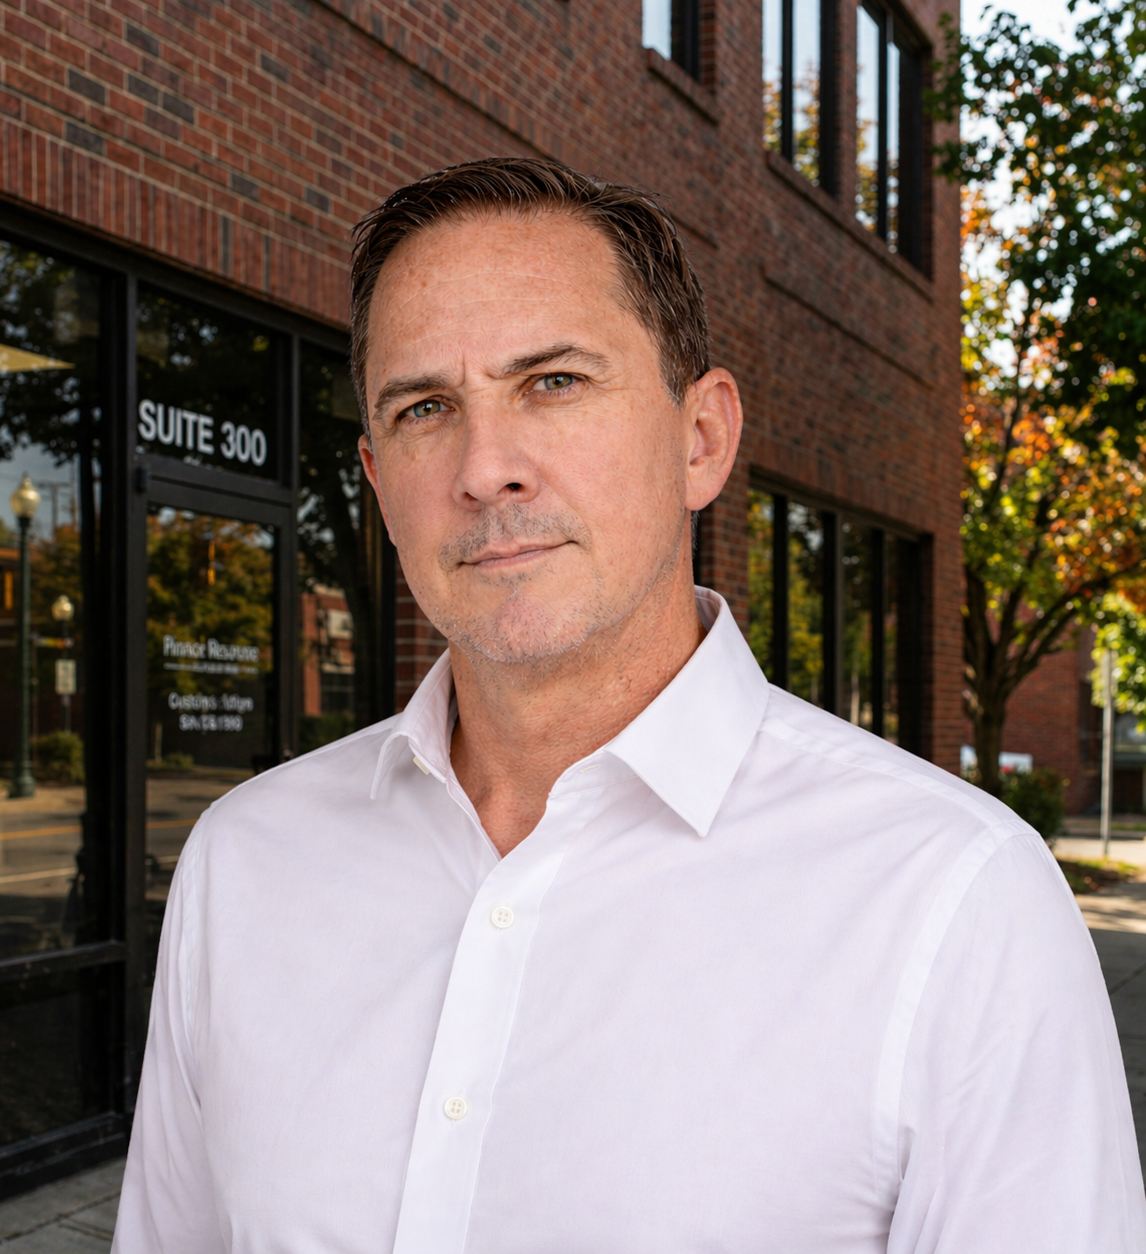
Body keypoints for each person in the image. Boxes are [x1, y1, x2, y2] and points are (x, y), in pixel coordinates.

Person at [114, 158, 1146, 1253]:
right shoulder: (245, 864)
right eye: (426, 407)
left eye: (553, 382)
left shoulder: (958, 902)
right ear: (376, 480)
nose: (486, 468)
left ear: (701, 439)